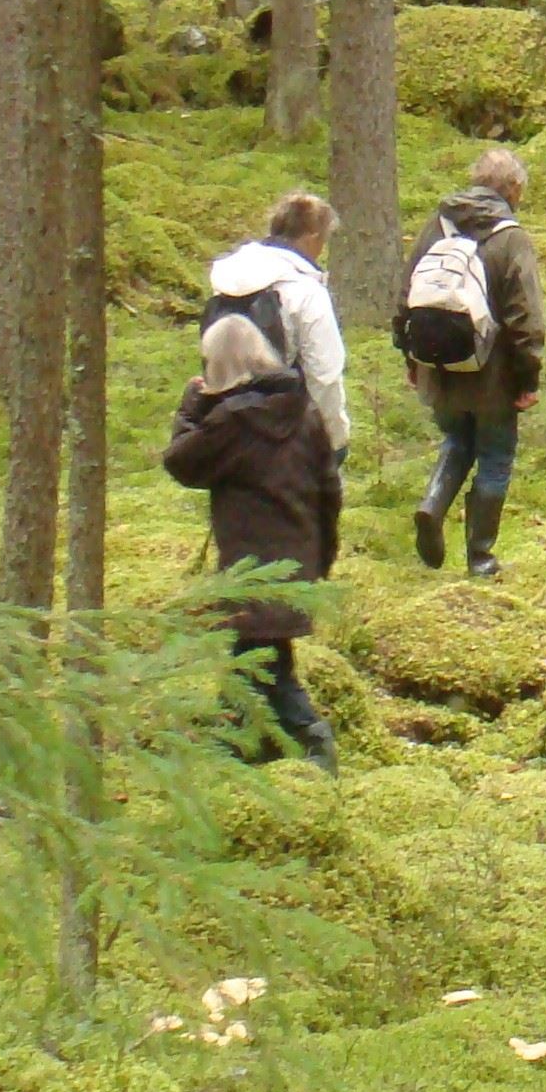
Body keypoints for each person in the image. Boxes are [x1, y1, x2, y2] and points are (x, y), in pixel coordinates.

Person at [163, 311, 343, 772]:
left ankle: (307, 735)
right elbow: (329, 489)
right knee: (258, 657)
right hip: (298, 561)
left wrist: (191, 408)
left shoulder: (231, 422)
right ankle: (239, 742)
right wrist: (322, 559)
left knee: (263, 664)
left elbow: (182, 462)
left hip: (251, 568)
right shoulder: (305, 411)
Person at [396, 148, 546, 578]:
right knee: (495, 456)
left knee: (456, 441)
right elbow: (525, 318)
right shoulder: (511, 237)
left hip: (436, 367)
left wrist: (409, 356)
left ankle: (432, 504)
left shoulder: (436, 224)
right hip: (491, 377)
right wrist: (527, 378)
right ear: (514, 190)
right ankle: (480, 557)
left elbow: (406, 292)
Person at [205, 193, 351, 457]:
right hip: (285, 430)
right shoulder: (305, 290)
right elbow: (325, 374)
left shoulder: (227, 279)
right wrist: (333, 439)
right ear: (312, 236)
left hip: (226, 422)